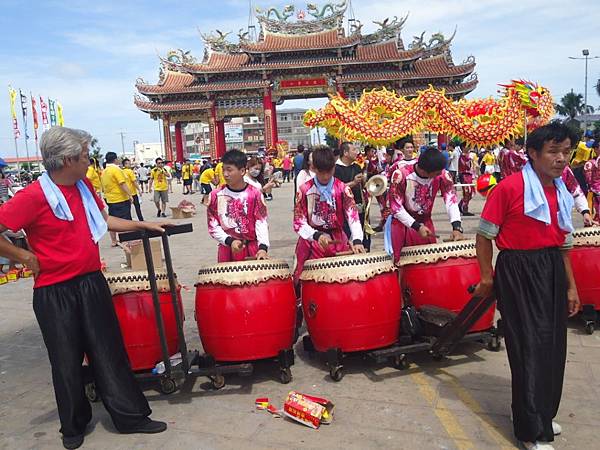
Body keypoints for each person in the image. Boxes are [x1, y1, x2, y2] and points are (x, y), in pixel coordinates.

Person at [0, 127, 167, 449]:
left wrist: (141, 224)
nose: (89, 162)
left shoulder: (83, 185)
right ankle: (74, 425)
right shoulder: (33, 196)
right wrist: (21, 254)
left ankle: (130, 416)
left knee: (108, 351)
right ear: (67, 160)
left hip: (90, 281)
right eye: (85, 156)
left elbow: (102, 221)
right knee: (66, 360)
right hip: (54, 291)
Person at [473, 122, 581, 450]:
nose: (562, 159)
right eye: (553, 152)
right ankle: (529, 430)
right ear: (533, 154)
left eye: (566, 151)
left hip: (550, 268)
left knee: (552, 347)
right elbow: (483, 235)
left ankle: (544, 414)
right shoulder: (509, 188)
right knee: (528, 349)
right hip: (518, 270)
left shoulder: (561, 189)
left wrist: (571, 287)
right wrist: (487, 277)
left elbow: (562, 243)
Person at [293, 145, 365, 284]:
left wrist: (356, 240)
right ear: (314, 168)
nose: (325, 177)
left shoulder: (343, 189)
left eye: (329, 172)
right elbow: (299, 222)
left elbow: (353, 216)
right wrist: (316, 235)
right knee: (304, 280)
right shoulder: (304, 190)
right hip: (312, 240)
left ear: (333, 168)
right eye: (321, 172)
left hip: (338, 240)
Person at [386, 147, 463, 261]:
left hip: (426, 223)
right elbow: (396, 207)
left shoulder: (442, 174)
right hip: (403, 224)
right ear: (425, 171)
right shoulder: (401, 175)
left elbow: (451, 199)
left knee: (429, 262)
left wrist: (457, 226)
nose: (439, 174)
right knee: (403, 264)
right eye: (436, 173)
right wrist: (416, 226)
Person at [207, 150, 270, 262]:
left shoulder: (255, 194)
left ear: (242, 171)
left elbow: (261, 222)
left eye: (229, 170)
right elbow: (213, 225)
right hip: (227, 248)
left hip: (252, 248)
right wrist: (229, 241)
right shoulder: (215, 195)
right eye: (223, 170)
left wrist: (263, 248)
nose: (225, 174)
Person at [335, 142, 370, 251]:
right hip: (344, 210)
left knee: (364, 236)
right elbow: (335, 189)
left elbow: (363, 186)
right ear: (345, 153)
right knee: (347, 237)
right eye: (354, 150)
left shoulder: (356, 167)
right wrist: (353, 183)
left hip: (359, 206)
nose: (357, 152)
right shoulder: (335, 169)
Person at [100, 152, 132, 247]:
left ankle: (114, 241)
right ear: (115, 159)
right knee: (124, 221)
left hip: (110, 199)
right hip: (120, 198)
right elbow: (122, 183)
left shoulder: (104, 171)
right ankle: (125, 240)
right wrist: (130, 195)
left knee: (112, 220)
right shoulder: (116, 170)